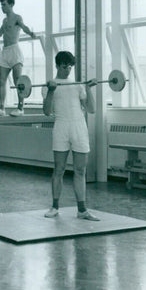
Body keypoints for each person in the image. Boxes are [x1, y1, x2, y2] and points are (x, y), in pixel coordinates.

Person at [41, 51, 99, 221]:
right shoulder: (49, 85)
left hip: (79, 126)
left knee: (81, 170)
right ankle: (54, 207)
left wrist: (88, 87)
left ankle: (82, 210)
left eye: (70, 67)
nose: (68, 70)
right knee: (59, 169)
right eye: (65, 66)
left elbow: (92, 109)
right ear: (58, 65)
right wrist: (51, 91)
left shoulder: (78, 84)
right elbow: (46, 111)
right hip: (61, 126)